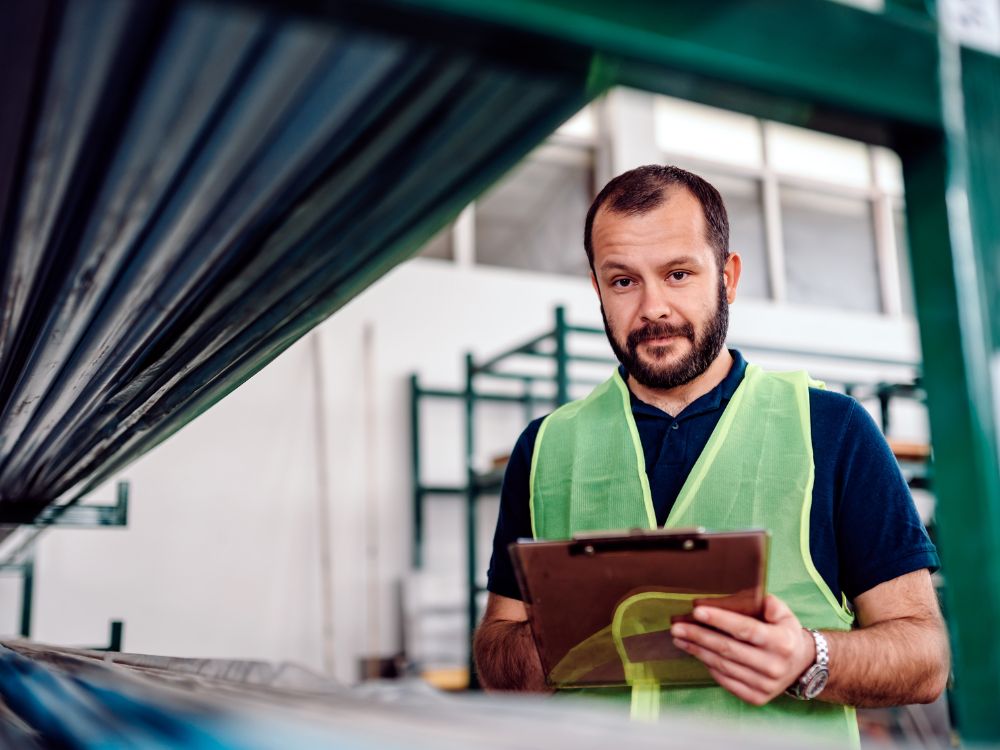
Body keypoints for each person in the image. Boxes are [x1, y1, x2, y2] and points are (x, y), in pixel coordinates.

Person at [473, 165, 950, 745]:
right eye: (623, 281)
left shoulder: (831, 428)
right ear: (597, 288)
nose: (653, 307)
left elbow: (925, 657)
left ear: (727, 276)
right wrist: (574, 628)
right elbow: (498, 654)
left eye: (678, 274)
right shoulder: (546, 448)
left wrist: (807, 657)